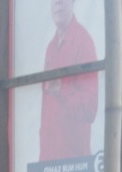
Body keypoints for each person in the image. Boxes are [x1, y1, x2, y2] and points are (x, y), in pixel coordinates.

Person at [38, 0, 99, 162]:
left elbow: (90, 109)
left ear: (72, 3)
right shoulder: (51, 47)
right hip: (48, 163)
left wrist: (62, 90)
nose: (58, 3)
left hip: (74, 164)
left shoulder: (84, 42)